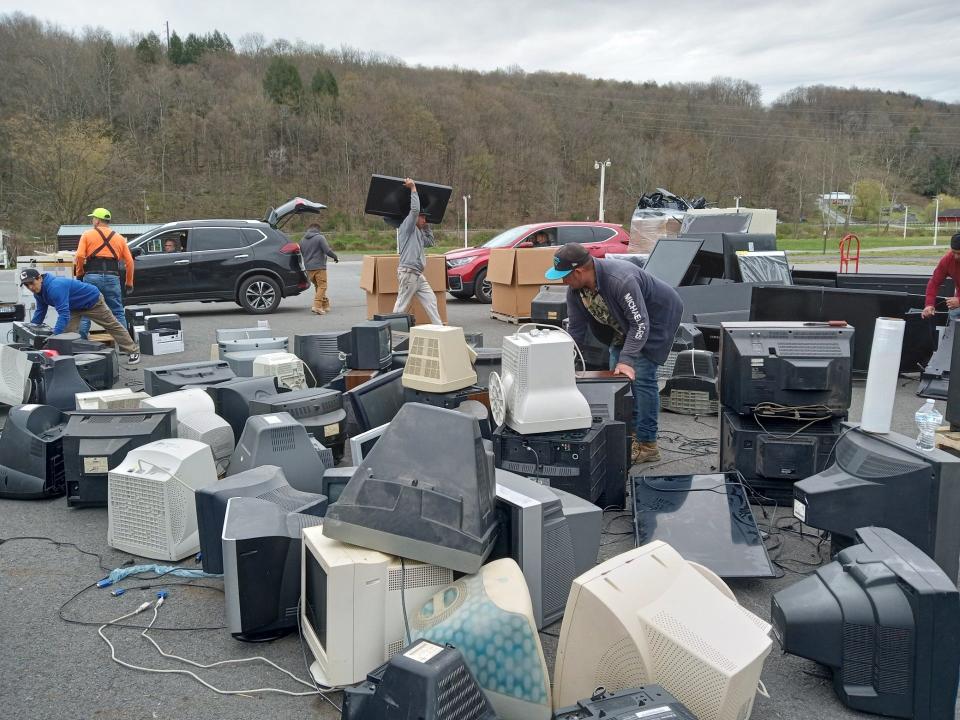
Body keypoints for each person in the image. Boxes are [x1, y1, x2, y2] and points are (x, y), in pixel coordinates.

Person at [546, 243, 682, 464]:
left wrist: (627, 360)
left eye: (564, 276)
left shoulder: (620, 280)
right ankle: (629, 435)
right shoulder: (575, 291)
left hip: (656, 318)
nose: (562, 281)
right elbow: (577, 331)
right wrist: (563, 363)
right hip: (625, 325)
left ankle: (648, 444)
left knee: (642, 376)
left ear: (579, 271)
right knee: (617, 380)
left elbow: (640, 324)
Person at [19, 268, 140, 364]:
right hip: (74, 308)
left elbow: (63, 314)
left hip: (93, 301)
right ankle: (62, 361)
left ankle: (133, 350)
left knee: (112, 325)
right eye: (26, 285)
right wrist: (32, 329)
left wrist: (54, 334)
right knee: (65, 334)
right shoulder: (38, 293)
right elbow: (40, 312)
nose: (30, 287)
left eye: (31, 283)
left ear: (39, 278)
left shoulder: (55, 287)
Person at [74, 207, 135, 339]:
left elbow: (79, 256)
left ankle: (81, 344)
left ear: (97, 221)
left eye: (93, 218)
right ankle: (126, 346)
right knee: (118, 312)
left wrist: (79, 273)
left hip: (92, 276)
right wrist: (129, 283)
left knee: (85, 312)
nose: (92, 220)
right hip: (112, 278)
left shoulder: (87, 235)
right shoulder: (119, 238)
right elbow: (129, 262)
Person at [393, 177, 443, 325]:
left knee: (431, 300)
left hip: (418, 275)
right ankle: (390, 336)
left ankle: (440, 329)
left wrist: (427, 226)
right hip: (408, 273)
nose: (424, 220)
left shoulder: (419, 233)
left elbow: (430, 242)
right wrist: (413, 188)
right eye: (423, 218)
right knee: (401, 307)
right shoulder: (407, 227)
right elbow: (414, 210)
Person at [299, 222, 339, 315]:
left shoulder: (302, 239)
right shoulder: (320, 237)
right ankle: (317, 306)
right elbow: (327, 250)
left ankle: (325, 305)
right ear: (318, 229)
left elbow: (301, 253)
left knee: (318, 286)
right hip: (319, 267)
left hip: (308, 268)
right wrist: (335, 257)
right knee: (322, 286)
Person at [922, 232, 960, 320]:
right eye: (954, 252)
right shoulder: (947, 260)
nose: (956, 257)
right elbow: (934, 283)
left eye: (959, 253)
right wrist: (929, 304)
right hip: (957, 302)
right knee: (954, 315)